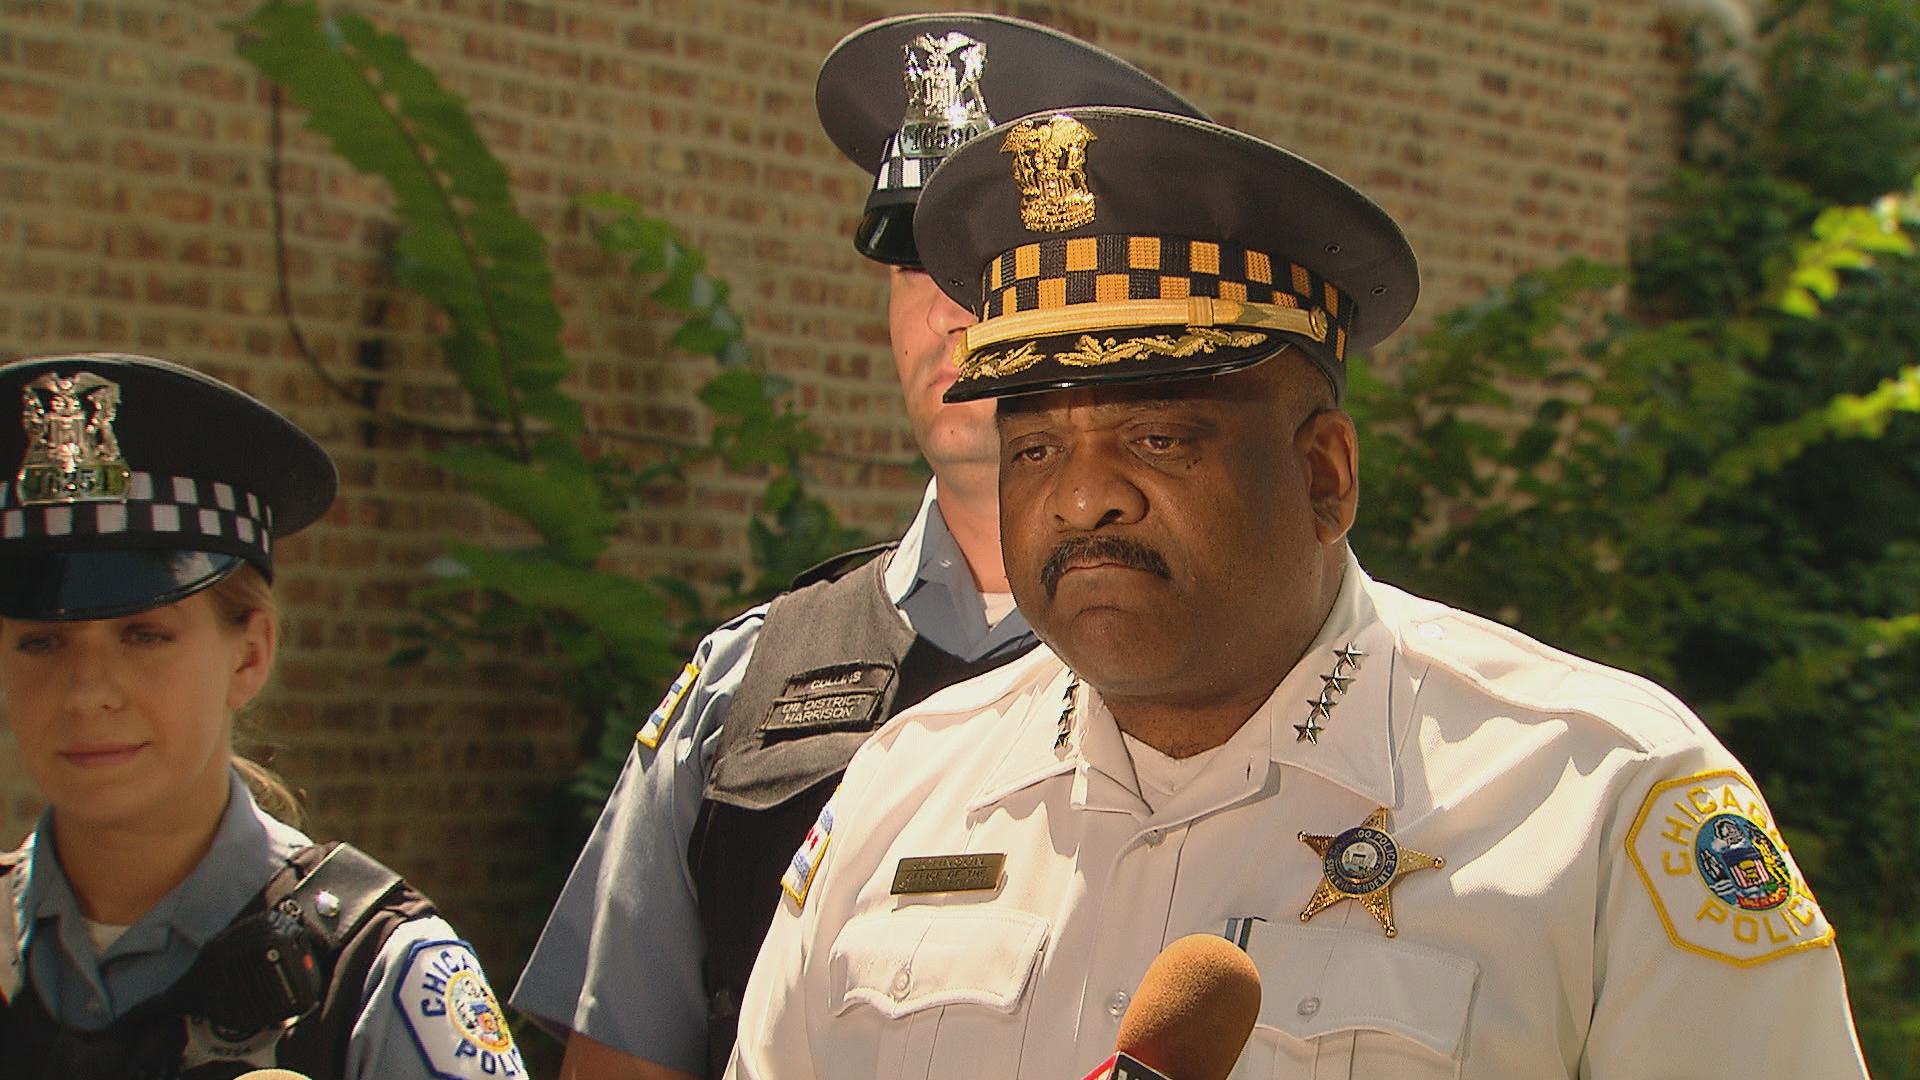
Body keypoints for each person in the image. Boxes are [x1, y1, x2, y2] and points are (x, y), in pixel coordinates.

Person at [725, 106, 1871, 1078]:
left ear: (1325, 475)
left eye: (1159, 438)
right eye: (1035, 450)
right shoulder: (903, 792)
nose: (1083, 502)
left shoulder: (1598, 798)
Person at [509, 13, 1208, 1080]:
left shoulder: (1240, 674)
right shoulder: (742, 687)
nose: (949, 318)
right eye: (917, 265)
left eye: (998, 269)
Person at [0, 352, 527, 1079]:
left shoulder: (378, 979)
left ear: (249, 655)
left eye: (144, 635)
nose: (87, 691)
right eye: (40, 642)